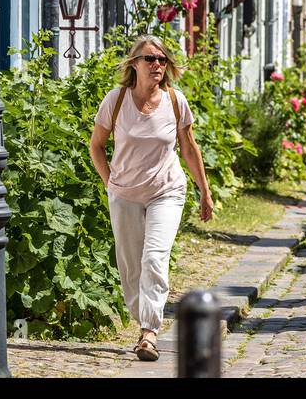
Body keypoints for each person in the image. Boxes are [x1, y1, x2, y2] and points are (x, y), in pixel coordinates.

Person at [88, 35, 213, 361]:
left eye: (161, 60)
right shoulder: (115, 101)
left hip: (166, 191)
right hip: (125, 193)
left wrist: (205, 191)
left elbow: (188, 148)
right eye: (149, 59)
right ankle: (143, 318)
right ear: (134, 64)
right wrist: (109, 182)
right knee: (130, 268)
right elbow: (96, 146)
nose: (156, 65)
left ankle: (149, 332)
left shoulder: (175, 100)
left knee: (154, 258)